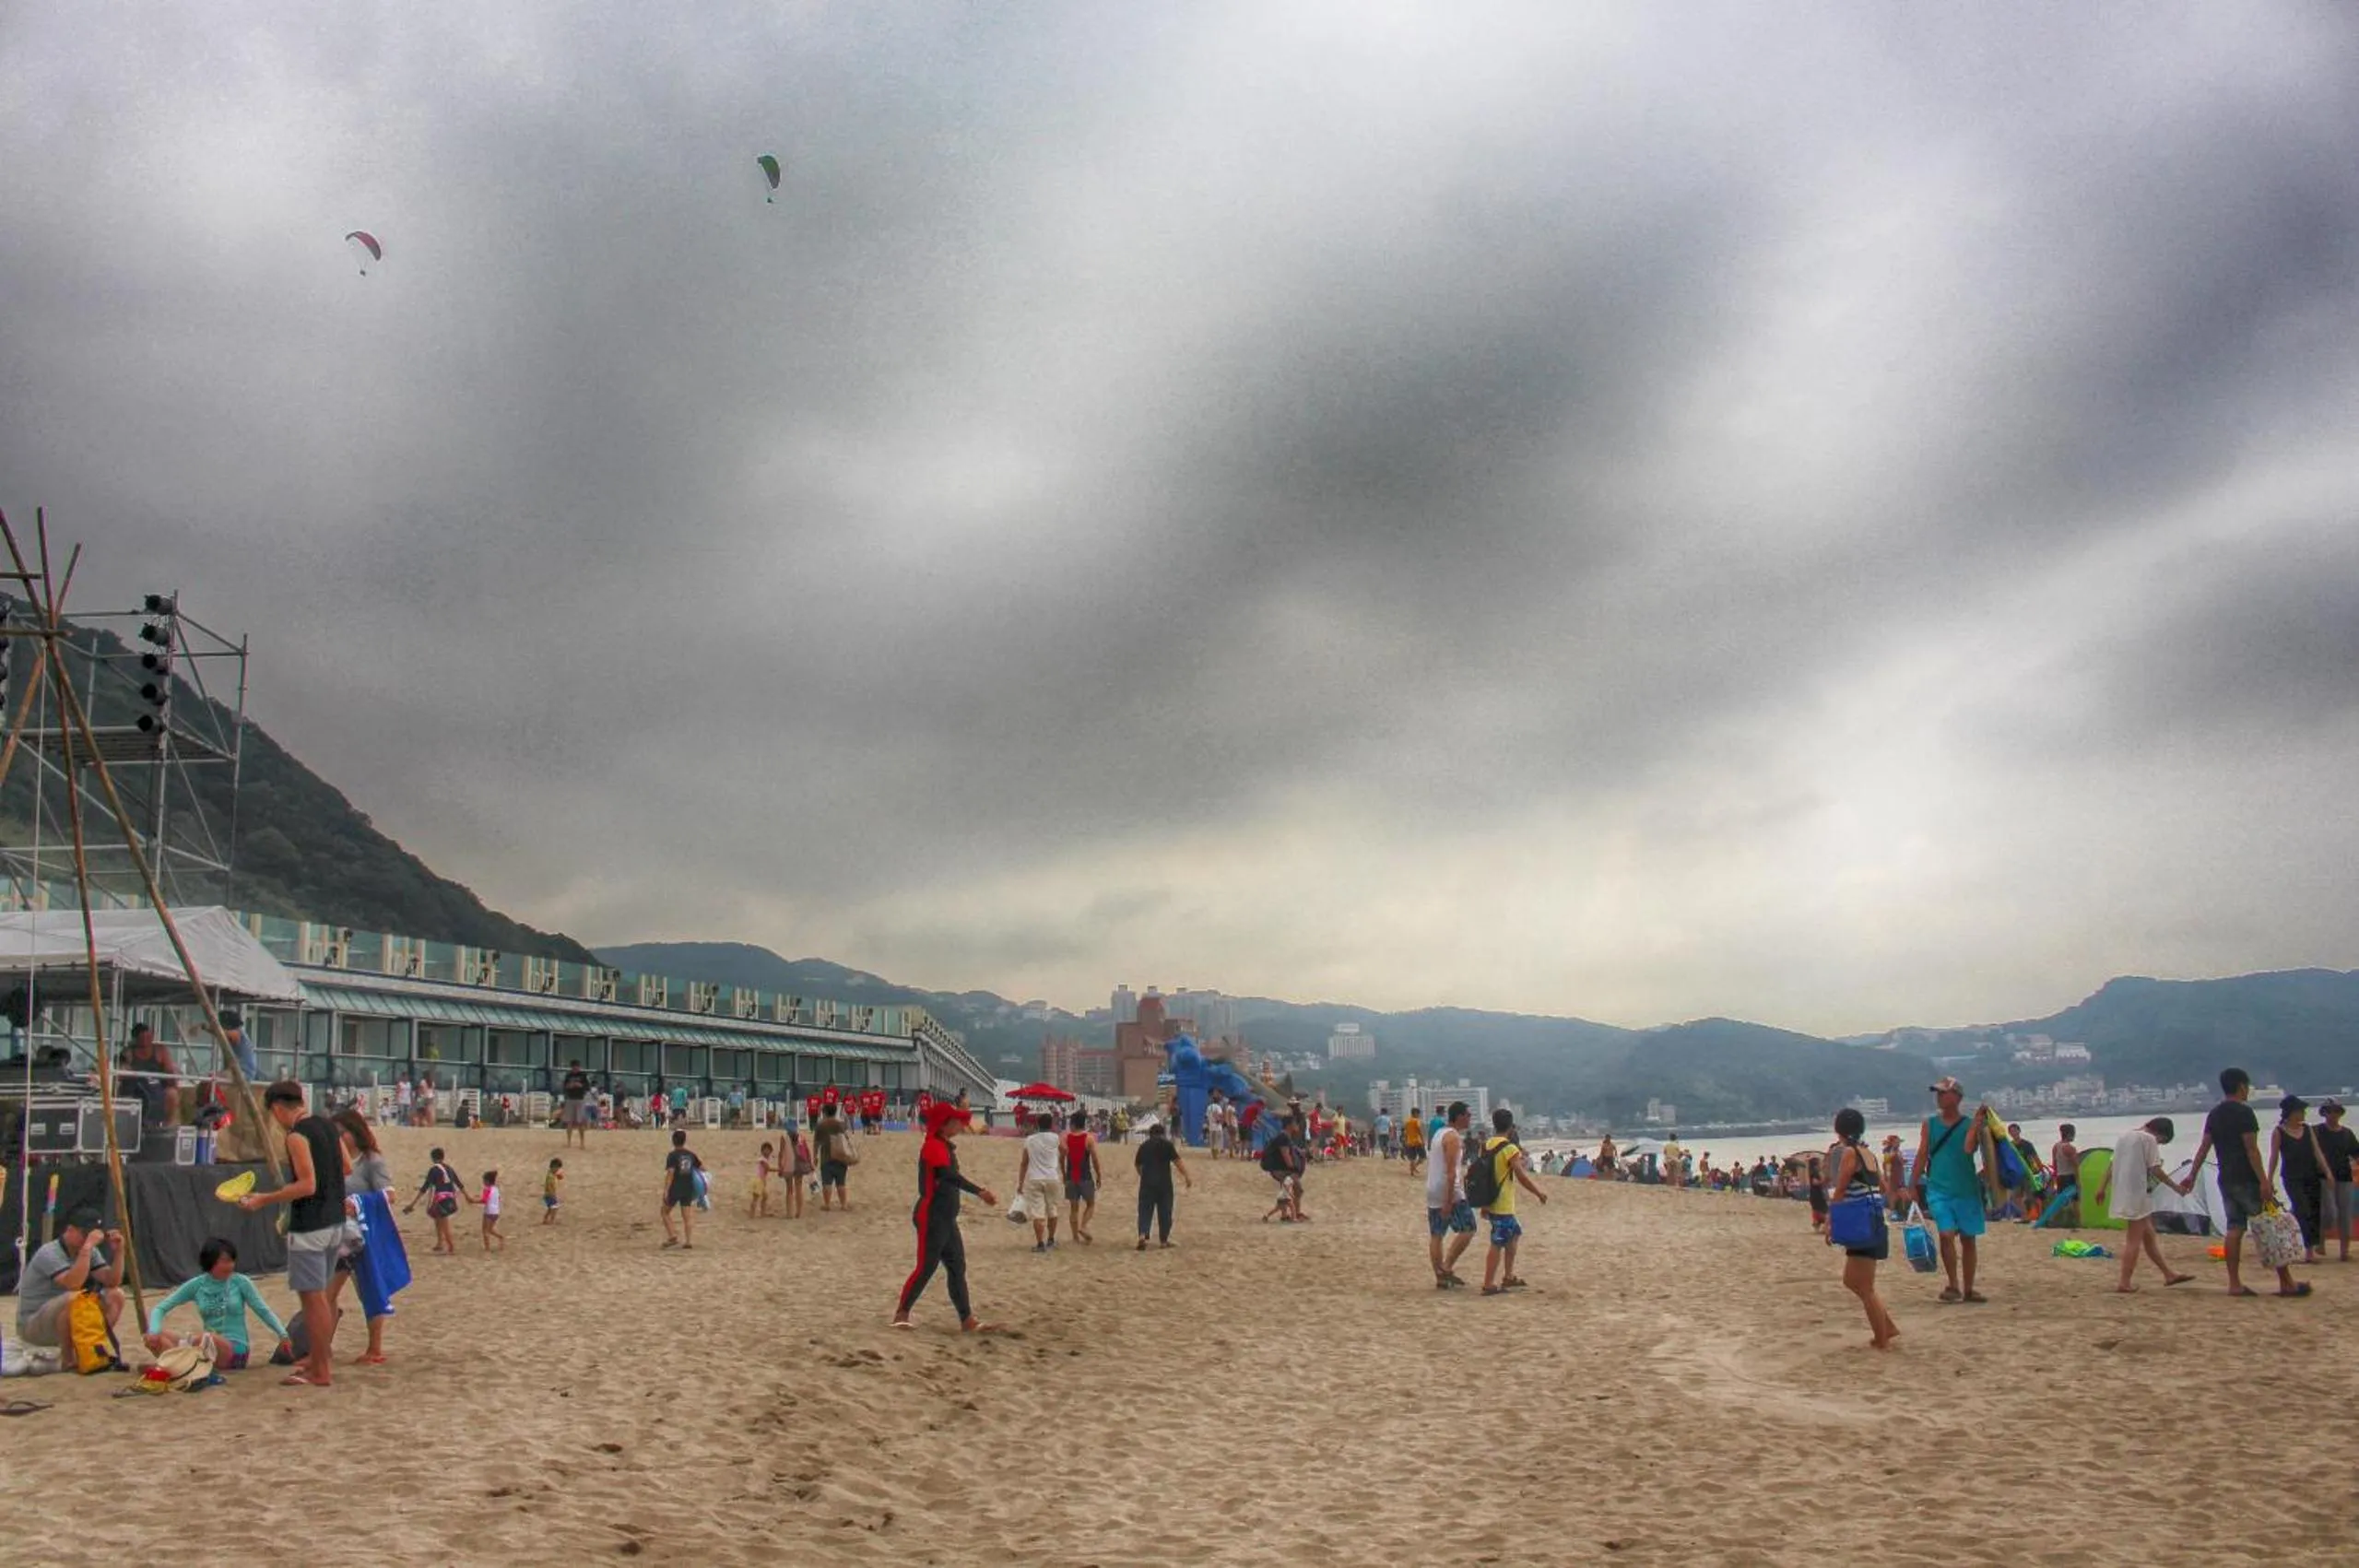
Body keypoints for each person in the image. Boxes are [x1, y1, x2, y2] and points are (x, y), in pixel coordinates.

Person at [237, 1080, 348, 1388]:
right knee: (321, 1298)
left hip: (310, 1224)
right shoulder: (328, 1126)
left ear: (276, 1108)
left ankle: (321, 1370)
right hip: (335, 1221)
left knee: (312, 1300)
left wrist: (264, 1198)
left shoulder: (297, 1136)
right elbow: (347, 1166)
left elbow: (307, 1185)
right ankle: (317, 1360)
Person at [2188, 1067, 2307, 1298]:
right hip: (2246, 1179)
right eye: (2247, 1087)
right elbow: (2252, 1150)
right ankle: (2286, 1282)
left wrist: (2192, 1175)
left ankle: (2234, 1283)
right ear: (2242, 1086)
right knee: (2270, 1226)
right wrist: (2264, 1181)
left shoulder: (2215, 1114)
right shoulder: (2245, 1113)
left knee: (2234, 1229)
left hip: (2226, 1178)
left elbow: (2204, 1147)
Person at [891, 1103, 1001, 1331]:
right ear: (944, 1124)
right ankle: (901, 1313)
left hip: (946, 1218)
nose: (960, 1125)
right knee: (926, 1266)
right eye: (956, 1121)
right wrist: (979, 1191)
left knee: (956, 1266)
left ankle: (967, 1319)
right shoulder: (933, 1145)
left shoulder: (944, 1146)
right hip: (931, 1215)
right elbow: (947, 1175)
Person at [143, 1236, 290, 1371]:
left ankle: (174, 1363)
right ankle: (178, 1365)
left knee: (206, 1338)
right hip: (205, 1347)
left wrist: (282, 1334)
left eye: (232, 1261)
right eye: (225, 1261)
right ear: (211, 1261)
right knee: (154, 1336)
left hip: (234, 1349)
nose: (230, 1265)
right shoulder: (197, 1284)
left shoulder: (240, 1282)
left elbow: (263, 1310)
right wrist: (154, 1332)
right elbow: (161, 1308)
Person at [1911, 1077, 1989, 1304]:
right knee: (1946, 1234)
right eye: (1937, 1093)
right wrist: (1912, 1185)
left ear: (1957, 1097)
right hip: (1938, 1188)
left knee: (1968, 1239)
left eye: (1943, 1092)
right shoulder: (1930, 1124)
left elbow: (1968, 1149)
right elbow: (1922, 1154)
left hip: (1966, 1189)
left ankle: (1969, 1288)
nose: (1939, 1096)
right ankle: (1953, 1284)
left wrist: (1976, 1125)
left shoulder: (1969, 1125)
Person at [1827, 1108, 1900, 1349]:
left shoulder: (1850, 1153)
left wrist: (1831, 1220)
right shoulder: (1868, 1153)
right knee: (1854, 1281)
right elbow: (1883, 1186)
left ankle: (1882, 1339)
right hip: (1874, 1219)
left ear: (1839, 1129)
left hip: (1862, 1224)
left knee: (1864, 1286)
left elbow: (1841, 1187)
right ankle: (1886, 1326)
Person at [332, 1107, 395, 1364]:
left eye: (341, 1133)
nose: (338, 1139)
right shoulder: (334, 1160)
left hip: (364, 1234)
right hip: (338, 1235)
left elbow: (390, 1194)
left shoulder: (372, 1161)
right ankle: (322, 1346)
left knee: (368, 1290)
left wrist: (358, 1202)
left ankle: (375, 1349)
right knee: (326, 1292)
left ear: (355, 1133)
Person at [13, 1209, 127, 1352]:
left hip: (64, 1317)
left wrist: (119, 1252)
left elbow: (112, 1281)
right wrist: (87, 1248)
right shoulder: (49, 1252)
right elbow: (73, 1284)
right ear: (70, 1230)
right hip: (33, 1324)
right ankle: (69, 1358)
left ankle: (92, 1348)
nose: (88, 1240)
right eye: (85, 1235)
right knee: (75, 1298)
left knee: (116, 1295)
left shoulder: (89, 1250)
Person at [2106, 1117, 2197, 1292]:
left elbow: (2113, 1164)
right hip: (2137, 1193)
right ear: (2160, 1134)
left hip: (2125, 1191)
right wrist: (2176, 1187)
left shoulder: (2125, 1136)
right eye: (2162, 1142)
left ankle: (2169, 1274)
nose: (2159, 1144)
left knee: (2149, 1236)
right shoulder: (2148, 1139)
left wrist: (2104, 1187)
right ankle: (2124, 1282)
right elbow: (2155, 1169)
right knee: (2133, 1240)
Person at [1477, 1108, 1548, 1295]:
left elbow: (1483, 1175)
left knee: (1515, 1233)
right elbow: (1521, 1177)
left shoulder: (1486, 1145)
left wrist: (1484, 1204)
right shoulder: (1509, 1148)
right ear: (1511, 1127)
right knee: (1497, 1242)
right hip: (1502, 1202)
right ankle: (1488, 1283)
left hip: (1490, 1200)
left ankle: (1508, 1276)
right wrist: (1538, 1193)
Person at [2267, 1095, 2330, 1266]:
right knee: (2302, 1209)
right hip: (2292, 1177)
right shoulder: (2279, 1132)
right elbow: (2273, 1157)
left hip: (2311, 1175)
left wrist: (2328, 1173)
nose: (2303, 1114)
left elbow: (2318, 1153)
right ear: (2291, 1113)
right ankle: (2304, 1247)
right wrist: (2268, 1180)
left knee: (2314, 1210)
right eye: (2300, 1111)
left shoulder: (2308, 1129)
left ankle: (2309, 1251)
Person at [1425, 1102, 1477, 1291]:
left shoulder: (1439, 1133)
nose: (1470, 1118)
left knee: (1437, 1233)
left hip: (1432, 1187)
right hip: (1449, 1189)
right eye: (1468, 1115)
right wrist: (1448, 1200)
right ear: (1460, 1116)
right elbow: (1451, 1171)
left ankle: (1440, 1277)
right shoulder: (1453, 1138)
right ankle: (1446, 1267)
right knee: (1469, 1228)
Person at [1134, 1119, 1191, 1248]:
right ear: (1163, 1133)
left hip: (1147, 1182)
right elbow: (1177, 1162)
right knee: (1165, 1211)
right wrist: (1186, 1176)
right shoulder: (1167, 1145)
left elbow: (1137, 1165)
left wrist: (1143, 1175)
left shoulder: (1144, 1146)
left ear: (1150, 1134)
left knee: (1144, 1210)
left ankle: (1143, 1235)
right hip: (1164, 1183)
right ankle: (1163, 1241)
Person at [2315, 1100, 2357, 1263]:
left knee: (2346, 1214)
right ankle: (2320, 1241)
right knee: (2329, 1213)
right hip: (2323, 1177)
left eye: (2337, 1111)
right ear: (2324, 1113)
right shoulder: (2317, 1132)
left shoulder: (2347, 1133)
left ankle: (2344, 1251)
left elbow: (2356, 1154)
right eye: (2330, 1111)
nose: (2334, 1115)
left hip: (2344, 1177)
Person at [1018, 1112, 1066, 1252]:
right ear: (1051, 1124)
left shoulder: (1030, 1140)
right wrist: (1055, 1157)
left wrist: (1020, 1183)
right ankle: (1051, 1240)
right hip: (1052, 1177)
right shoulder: (1055, 1138)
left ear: (1037, 1124)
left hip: (1035, 1178)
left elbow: (1024, 1163)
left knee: (1038, 1213)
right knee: (1052, 1209)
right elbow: (1065, 1151)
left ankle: (1040, 1244)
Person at [405, 1146, 464, 1255]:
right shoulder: (449, 1168)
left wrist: (413, 1204)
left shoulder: (434, 1169)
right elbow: (459, 1183)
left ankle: (451, 1246)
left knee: (443, 1222)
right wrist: (468, 1197)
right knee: (437, 1219)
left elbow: (425, 1187)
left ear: (433, 1158)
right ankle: (440, 1243)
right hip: (450, 1197)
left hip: (441, 1199)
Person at [117, 1022, 179, 1126]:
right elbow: (121, 1071)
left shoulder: (160, 1050)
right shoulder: (129, 1052)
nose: (146, 1040)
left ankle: (167, 1126)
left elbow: (170, 1071)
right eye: (143, 1037)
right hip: (137, 1087)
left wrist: (173, 1082)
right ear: (136, 1038)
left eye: (148, 1036)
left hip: (157, 1087)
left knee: (172, 1094)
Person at [659, 1129, 705, 1249]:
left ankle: (672, 1235)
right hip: (688, 1187)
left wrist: (666, 1190)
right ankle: (688, 1241)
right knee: (687, 1216)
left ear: (673, 1141)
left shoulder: (672, 1155)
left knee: (664, 1212)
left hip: (675, 1187)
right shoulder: (691, 1154)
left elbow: (671, 1173)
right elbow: (702, 1168)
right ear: (684, 1141)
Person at [1063, 1109, 1103, 1245]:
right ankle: (1083, 1226)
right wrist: (1099, 1175)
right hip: (1085, 1177)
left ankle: (1075, 1238)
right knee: (1090, 1204)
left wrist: (1063, 1174)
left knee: (1074, 1208)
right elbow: (1095, 1160)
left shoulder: (1066, 1138)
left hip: (1071, 1177)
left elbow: (1061, 1158)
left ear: (1073, 1124)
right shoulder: (1089, 1138)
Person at [816, 1102, 855, 1211]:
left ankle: (827, 1204)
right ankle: (843, 1204)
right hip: (840, 1155)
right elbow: (846, 1138)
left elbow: (816, 1142)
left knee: (827, 1182)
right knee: (841, 1182)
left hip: (826, 1156)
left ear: (824, 1112)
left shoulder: (821, 1125)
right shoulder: (840, 1124)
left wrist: (814, 1156)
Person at [560, 1059, 593, 1148]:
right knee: (569, 1121)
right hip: (570, 1099)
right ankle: (568, 1142)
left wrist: (580, 1085)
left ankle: (582, 1142)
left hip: (580, 1099)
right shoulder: (568, 1075)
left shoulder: (583, 1075)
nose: (575, 1068)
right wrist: (569, 1086)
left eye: (576, 1067)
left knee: (580, 1122)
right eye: (574, 1067)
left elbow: (587, 1087)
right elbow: (564, 1086)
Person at [471, 1169, 506, 1253]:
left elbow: (484, 1200)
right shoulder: (496, 1189)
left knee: (485, 1231)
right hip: (496, 1212)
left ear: (487, 1181)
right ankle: (500, 1237)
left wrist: (473, 1201)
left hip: (488, 1212)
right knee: (490, 1230)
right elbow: (498, 1199)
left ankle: (487, 1248)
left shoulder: (487, 1189)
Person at [218, 1008, 257, 1082]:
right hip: (235, 1070)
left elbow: (224, 1033)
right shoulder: (236, 1033)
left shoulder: (237, 1032)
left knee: (215, 1079)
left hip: (244, 1072)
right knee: (211, 1076)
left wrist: (208, 1027)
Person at [784, 1120, 811, 1219]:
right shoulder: (801, 1137)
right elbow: (807, 1151)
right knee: (799, 1188)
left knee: (789, 1189)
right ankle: (798, 1212)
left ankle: (789, 1213)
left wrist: (780, 1165)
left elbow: (781, 1153)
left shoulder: (784, 1138)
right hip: (800, 1165)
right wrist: (810, 1163)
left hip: (788, 1165)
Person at [2051, 1124, 2082, 1202]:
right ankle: (2074, 1214)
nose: (2074, 1135)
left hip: (2060, 1177)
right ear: (2069, 1134)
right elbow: (2076, 1166)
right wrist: (2078, 1181)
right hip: (2070, 1177)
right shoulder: (2070, 1148)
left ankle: (2065, 1214)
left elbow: (2054, 1164)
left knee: (2062, 1202)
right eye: (2073, 1133)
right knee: (2075, 1202)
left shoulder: (2056, 1146)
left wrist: (2055, 1178)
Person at [750, 1141, 776, 1218]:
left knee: (765, 1197)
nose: (767, 1152)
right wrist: (779, 1170)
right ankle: (752, 1214)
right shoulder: (762, 1160)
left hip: (760, 1181)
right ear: (762, 1151)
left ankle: (762, 1213)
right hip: (758, 1181)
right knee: (756, 1198)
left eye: (769, 1150)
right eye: (766, 1150)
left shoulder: (764, 1160)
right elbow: (768, 1168)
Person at [1401, 1105, 1425, 1173]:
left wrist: (1405, 1141)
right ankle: (1414, 1167)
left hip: (1409, 1142)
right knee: (1422, 1157)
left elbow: (1406, 1133)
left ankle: (1412, 1171)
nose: (1418, 1115)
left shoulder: (1407, 1121)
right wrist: (1423, 1140)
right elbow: (1419, 1130)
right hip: (1417, 1141)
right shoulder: (1416, 1121)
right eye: (1418, 1113)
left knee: (1412, 1158)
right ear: (1415, 1113)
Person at [543, 1157, 565, 1225]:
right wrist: (553, 1195)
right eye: (557, 1169)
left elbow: (558, 1176)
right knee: (555, 1207)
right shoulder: (550, 1176)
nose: (558, 1170)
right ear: (554, 1167)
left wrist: (558, 1176)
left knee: (550, 1208)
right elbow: (549, 1185)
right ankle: (552, 1220)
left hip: (547, 1195)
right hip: (550, 1194)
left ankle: (545, 1219)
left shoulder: (551, 1173)